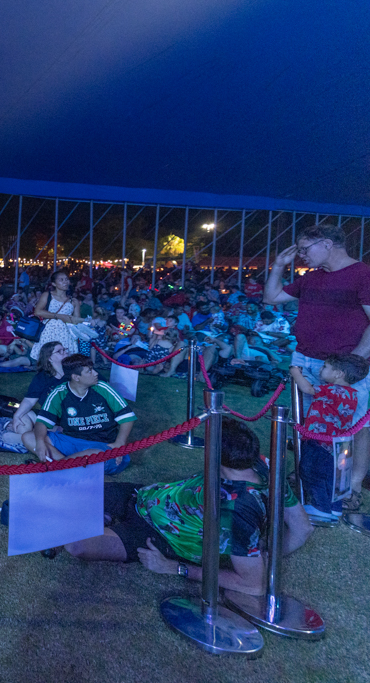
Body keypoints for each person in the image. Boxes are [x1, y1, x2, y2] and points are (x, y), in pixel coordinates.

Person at [62, 418, 313, 596]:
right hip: (145, 497)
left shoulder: (235, 510)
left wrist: (175, 568)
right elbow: (303, 529)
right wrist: (273, 553)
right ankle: (96, 514)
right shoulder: (262, 465)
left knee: (77, 544)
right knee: (68, 490)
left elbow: (254, 585)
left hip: (159, 537)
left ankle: (96, 518)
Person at [264, 224, 370, 508]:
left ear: (326, 244)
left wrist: (354, 361)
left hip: (345, 366)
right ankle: (311, 476)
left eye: (304, 248)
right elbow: (271, 298)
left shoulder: (363, 274)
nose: (300, 255)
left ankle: (351, 485)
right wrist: (277, 266)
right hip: (307, 359)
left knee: (354, 427)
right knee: (312, 424)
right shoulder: (311, 278)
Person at [291, 353, 370, 521]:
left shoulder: (332, 390)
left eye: (325, 366)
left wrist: (296, 372)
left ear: (338, 374)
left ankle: (321, 508)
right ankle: (335, 507)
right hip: (336, 444)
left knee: (312, 472)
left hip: (318, 440)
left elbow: (308, 389)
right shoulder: (352, 394)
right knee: (332, 476)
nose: (321, 369)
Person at [26, 353, 135, 474]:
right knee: (28, 437)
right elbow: (41, 422)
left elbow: (127, 418)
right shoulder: (59, 393)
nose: (96, 373)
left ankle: (57, 468)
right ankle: (67, 468)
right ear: (76, 377)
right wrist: (40, 442)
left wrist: (119, 444)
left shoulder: (103, 388)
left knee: (93, 455)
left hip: (103, 446)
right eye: (89, 371)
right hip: (72, 442)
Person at [9, 342, 67, 434]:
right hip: (48, 417)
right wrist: (17, 416)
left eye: (64, 350)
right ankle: (30, 437)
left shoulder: (74, 373)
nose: (64, 353)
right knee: (22, 417)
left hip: (71, 419)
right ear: (50, 358)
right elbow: (29, 400)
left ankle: (29, 439)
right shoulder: (42, 377)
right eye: (59, 351)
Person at [30, 269, 83, 360]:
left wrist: (86, 321)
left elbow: (76, 320)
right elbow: (38, 311)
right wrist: (59, 316)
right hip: (49, 331)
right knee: (48, 358)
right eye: (61, 280)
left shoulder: (73, 301)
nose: (65, 282)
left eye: (66, 279)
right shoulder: (48, 295)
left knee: (65, 359)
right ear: (54, 284)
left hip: (66, 332)